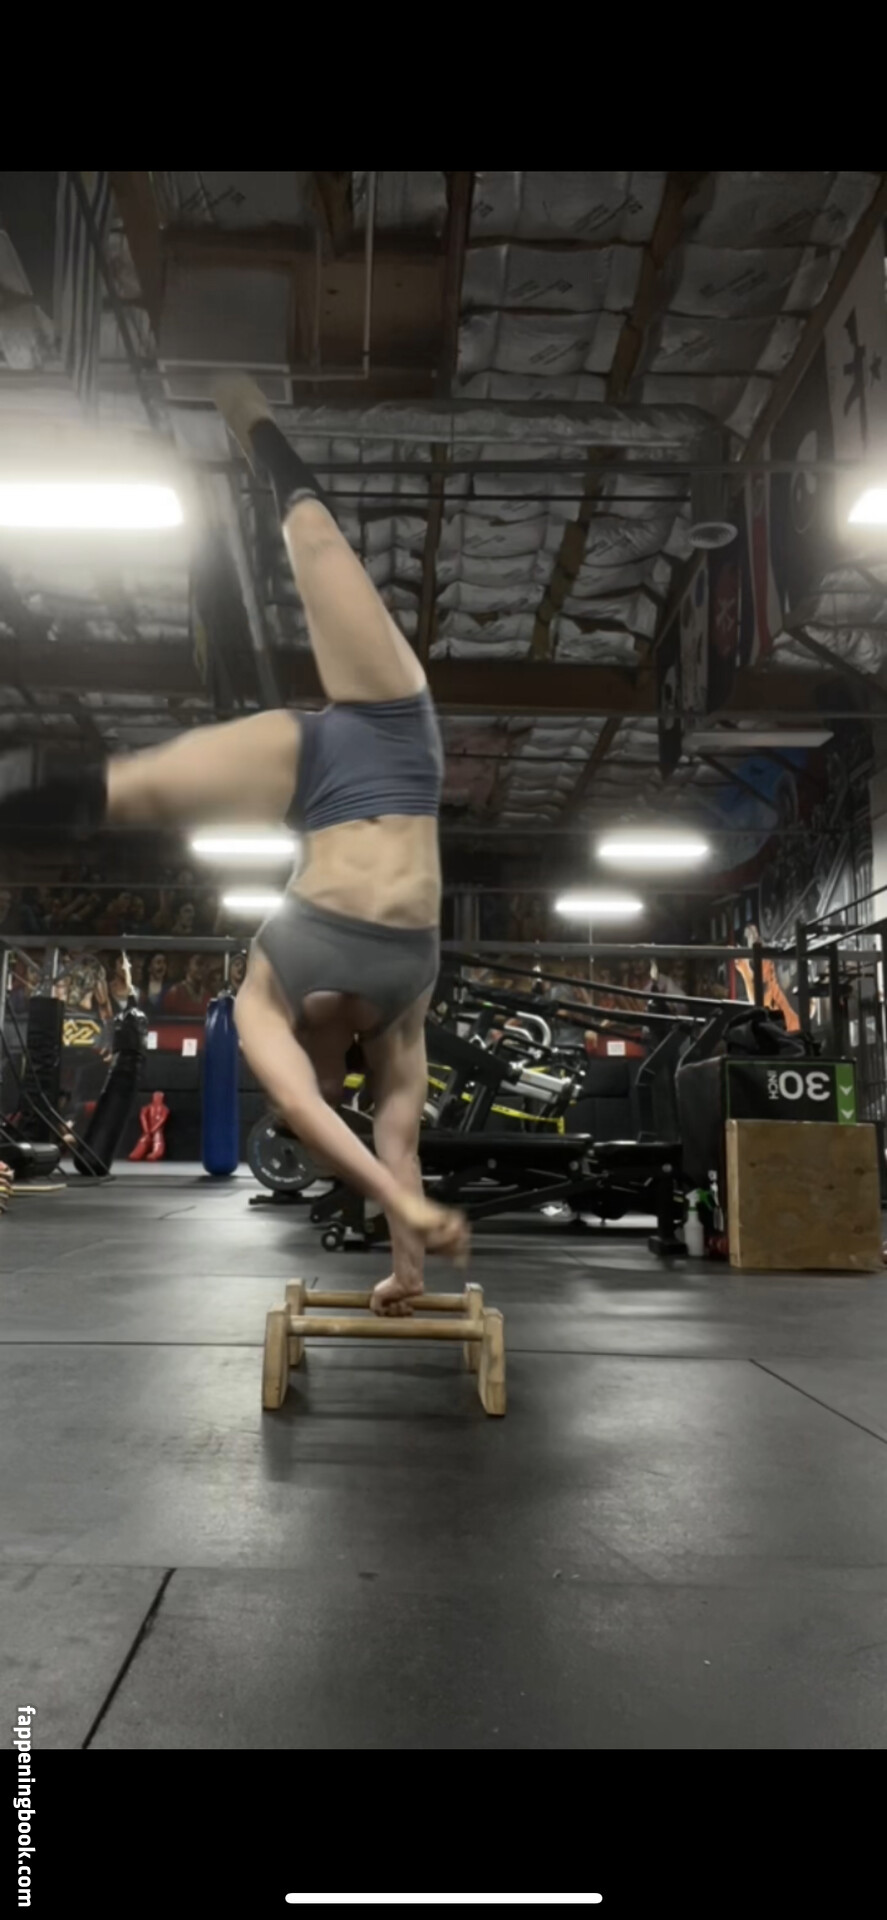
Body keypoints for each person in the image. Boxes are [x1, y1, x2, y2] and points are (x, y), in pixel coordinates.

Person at [0, 375, 468, 1307]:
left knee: (132, 787)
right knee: (317, 544)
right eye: (332, 1094)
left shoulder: (262, 993)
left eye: (315, 1100)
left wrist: (401, 1227)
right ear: (346, 1077)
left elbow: (298, 1105)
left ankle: (250, 422)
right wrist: (407, 1249)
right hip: (395, 745)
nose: (317, 1091)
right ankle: (254, 422)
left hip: (311, 766)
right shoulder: (400, 1026)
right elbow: (396, 1142)